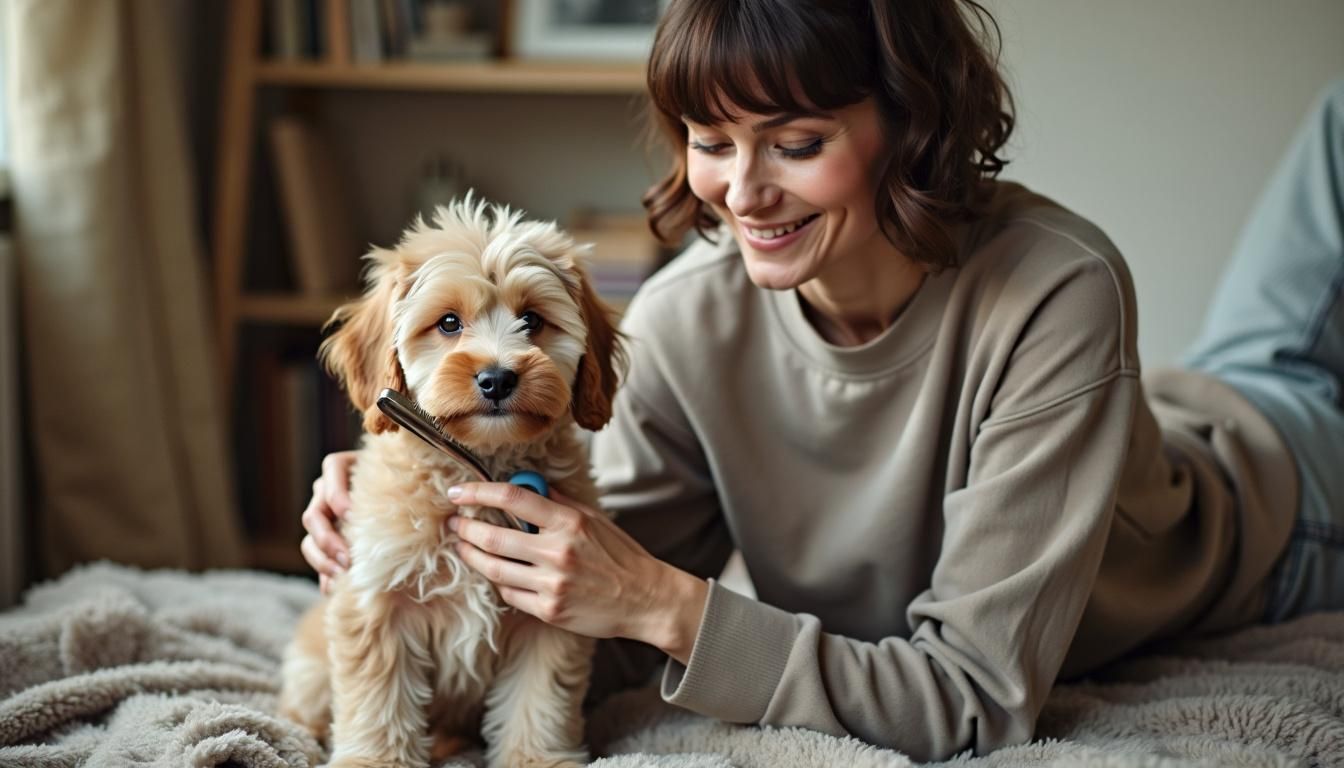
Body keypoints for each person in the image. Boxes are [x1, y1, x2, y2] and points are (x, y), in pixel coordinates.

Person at [298, 0, 1344, 760]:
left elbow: (975, 696)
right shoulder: (685, 318)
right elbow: (591, 598)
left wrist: (671, 606)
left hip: (1282, 497)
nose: (743, 194)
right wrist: (406, 533)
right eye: (711, 143)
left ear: (914, 123)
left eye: (794, 144)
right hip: (1130, 423)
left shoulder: (1054, 289)